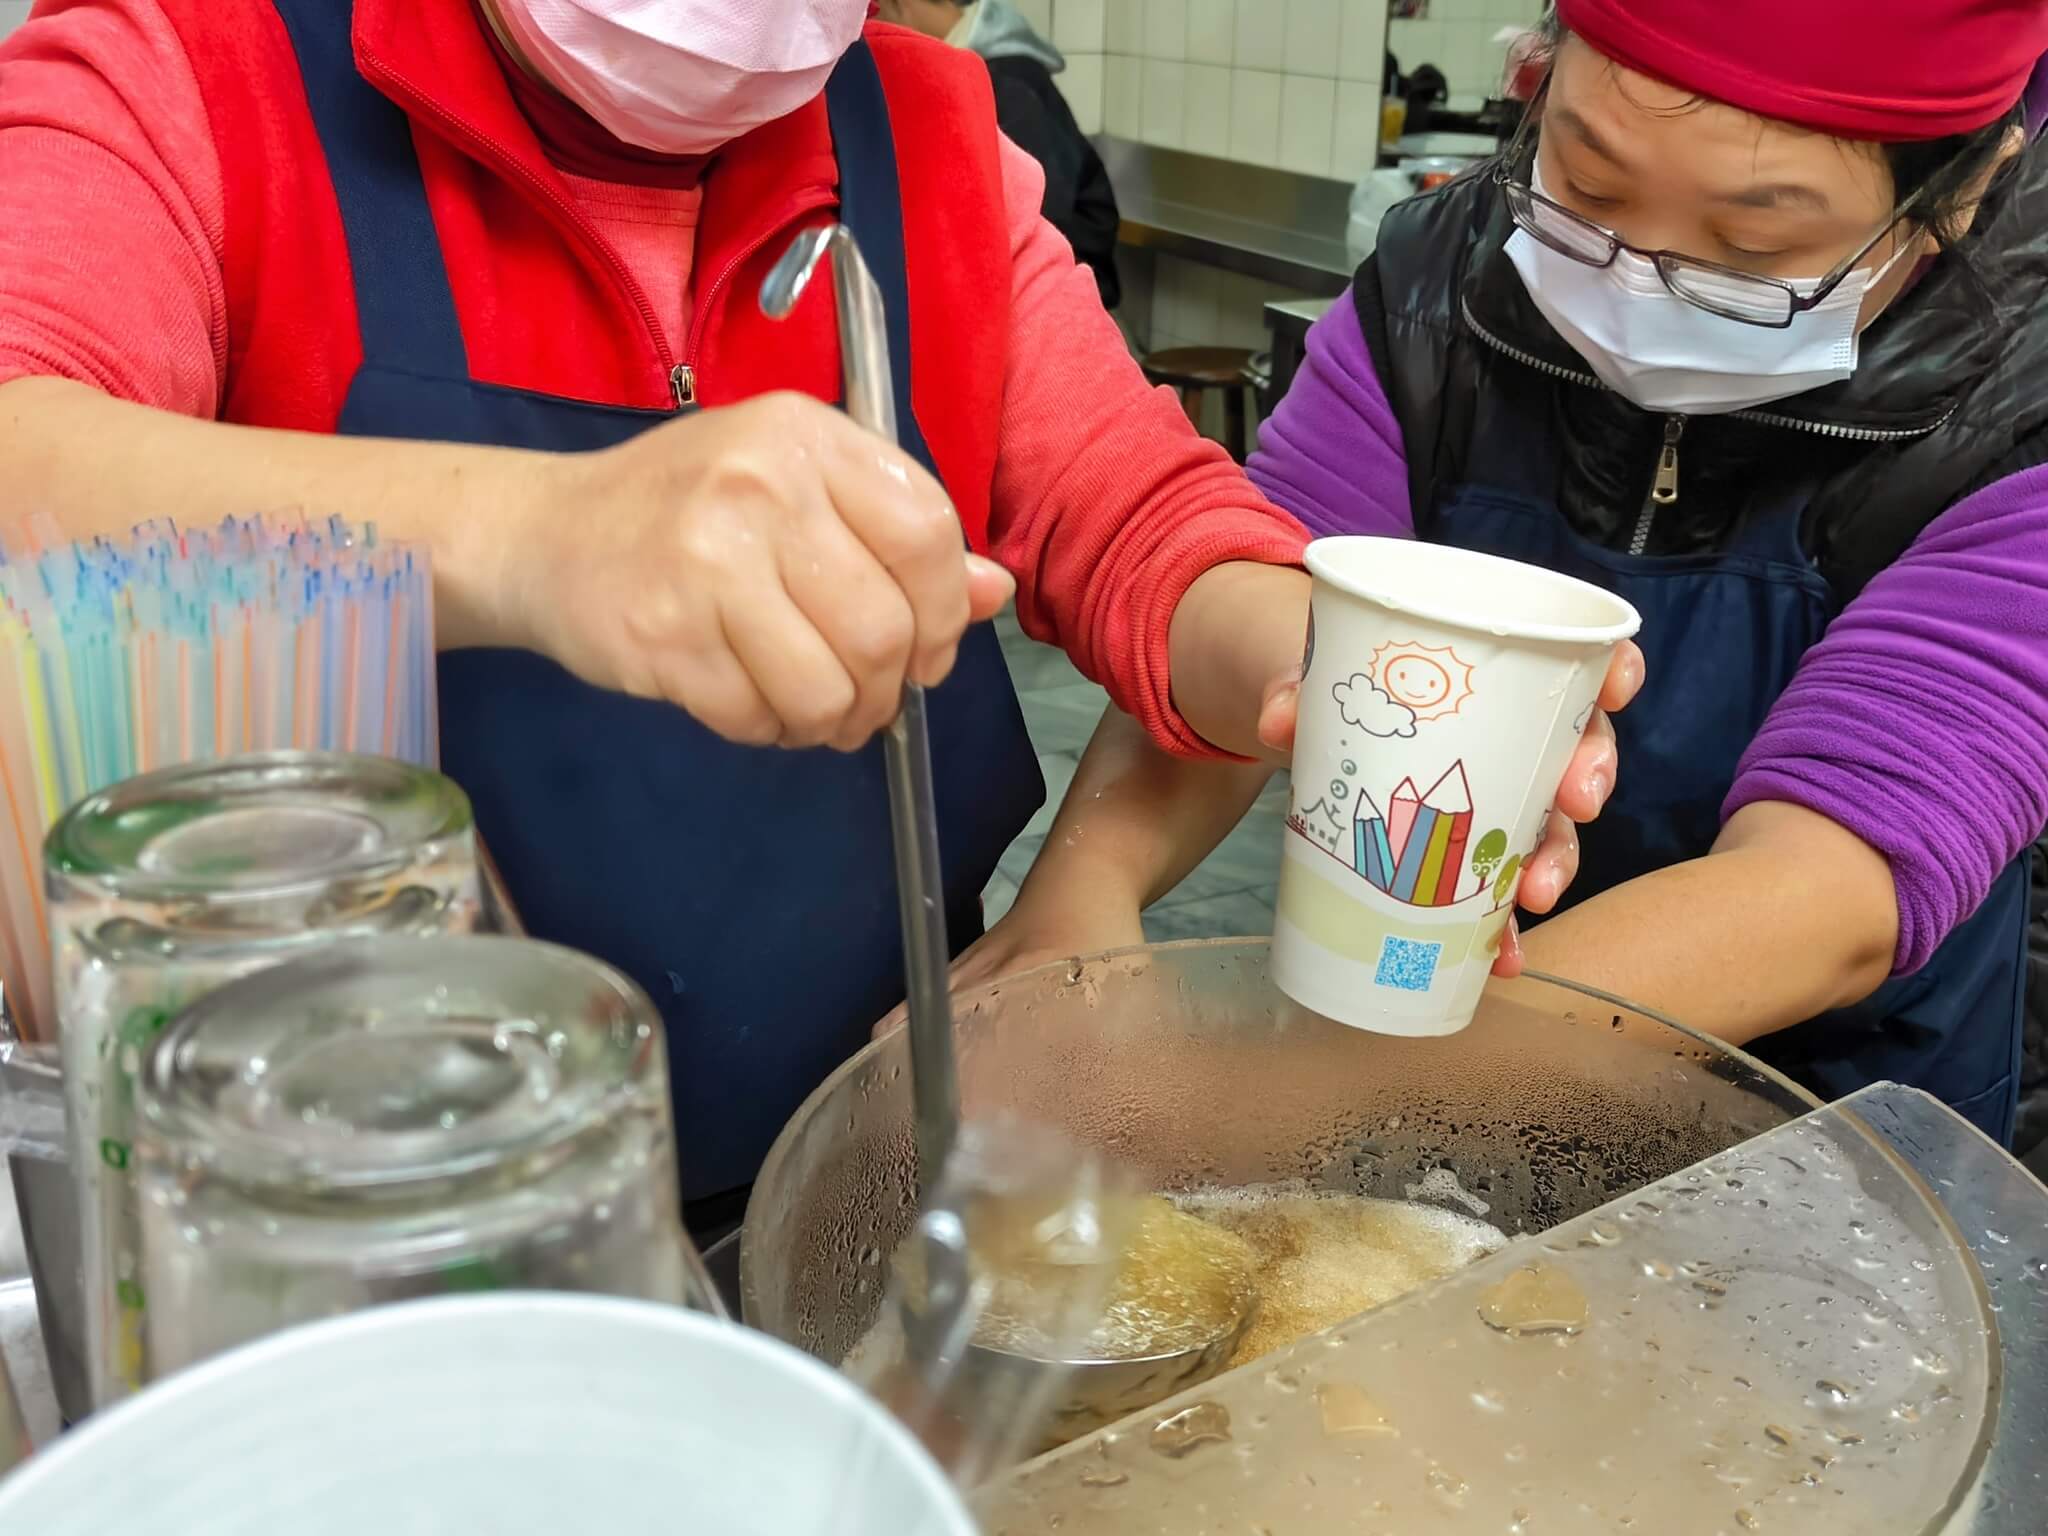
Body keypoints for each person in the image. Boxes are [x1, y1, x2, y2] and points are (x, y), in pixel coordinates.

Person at [0, 0, 1628, 1235]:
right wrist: (530, 531)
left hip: (852, 1180)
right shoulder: (190, 71)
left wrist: (1332, 665)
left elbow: (1138, 518)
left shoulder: (924, 144)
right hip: (370, 1224)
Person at [976, 0, 2048, 1154]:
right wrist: (1084, 891)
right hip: (1410, 1037)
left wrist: (1295, 1095)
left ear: (1963, 188)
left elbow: (1831, 881)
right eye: (1584, 187)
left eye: (1752, 251)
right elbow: (1268, 620)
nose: (1641, 281)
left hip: (1811, 1127)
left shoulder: (2013, 409)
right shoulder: (1435, 292)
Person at [877, 0, 1122, 308]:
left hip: (1065, 290)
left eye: (878, 14)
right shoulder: (965, 72)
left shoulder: (1007, 81)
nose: (877, 30)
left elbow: (1038, 215)